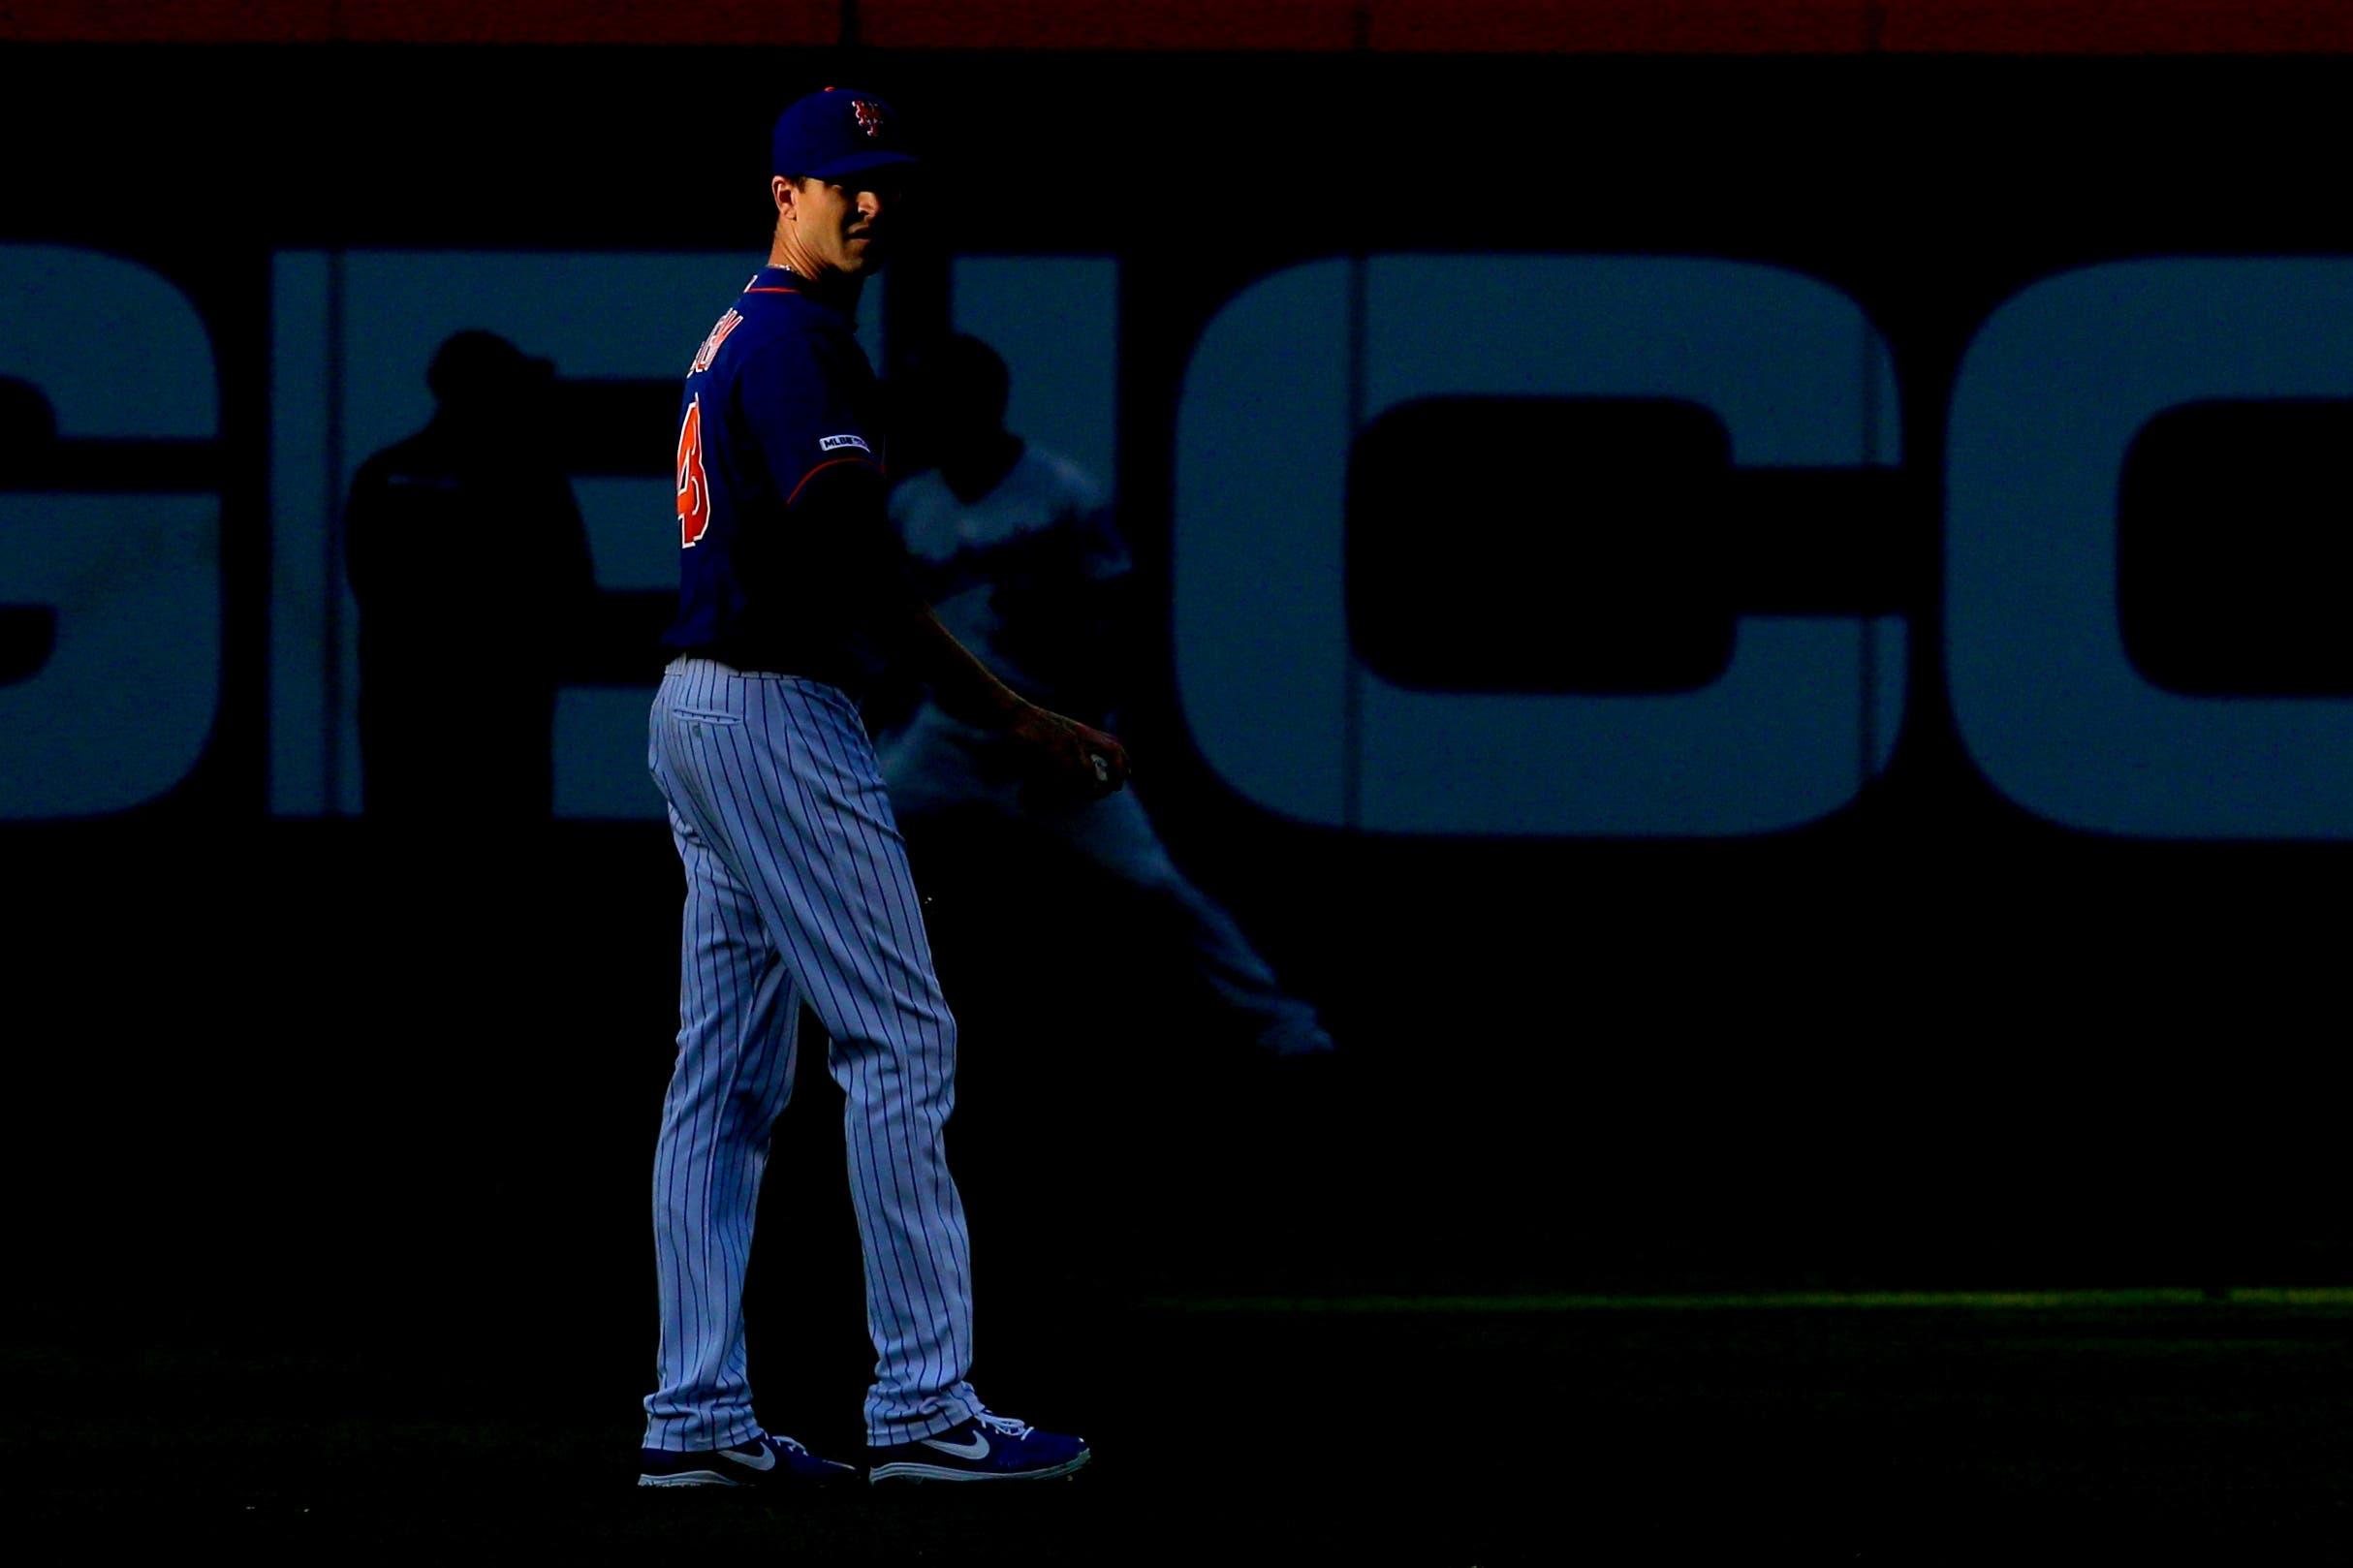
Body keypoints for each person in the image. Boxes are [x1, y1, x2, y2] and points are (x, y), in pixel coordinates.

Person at [637, 87, 1126, 1490]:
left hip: (701, 705)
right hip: (775, 706)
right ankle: (924, 1404)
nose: (868, 203)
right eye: (840, 179)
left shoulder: (738, 329)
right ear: (781, 188)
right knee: (899, 1037)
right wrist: (1013, 711)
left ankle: (697, 1413)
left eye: (885, 183)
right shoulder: (796, 341)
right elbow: (853, 561)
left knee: (723, 1078)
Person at [881, 334, 1335, 1060]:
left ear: (982, 403)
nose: (924, 411)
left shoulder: (1061, 492)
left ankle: (1288, 1028)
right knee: (828, 835)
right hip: (954, 735)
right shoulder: (913, 504)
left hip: (1054, 728)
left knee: (1153, 884)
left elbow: (1116, 621)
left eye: (939, 396)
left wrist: (1073, 729)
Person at [343, 329, 593, 825]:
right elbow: (573, 587)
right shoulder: (531, 483)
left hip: (408, 718)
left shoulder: (384, 474)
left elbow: (369, 583)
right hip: (499, 724)